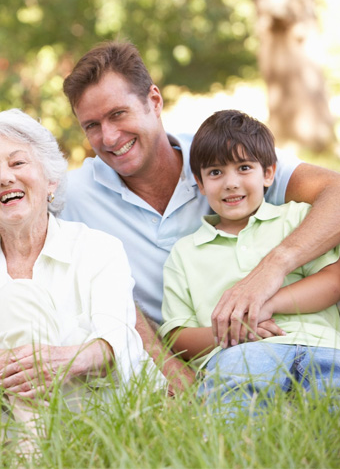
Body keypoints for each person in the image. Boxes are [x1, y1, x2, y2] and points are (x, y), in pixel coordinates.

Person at [60, 41, 340, 389]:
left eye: (118, 114)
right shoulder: (70, 195)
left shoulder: (222, 156)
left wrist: (269, 272)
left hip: (304, 339)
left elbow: (335, 194)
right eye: (92, 126)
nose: (110, 137)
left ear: (154, 101)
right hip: (212, 356)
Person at [0, 109, 165, 455]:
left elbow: (116, 336)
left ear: (51, 180)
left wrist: (65, 360)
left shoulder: (100, 248)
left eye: (18, 163)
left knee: (17, 299)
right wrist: (0, 363)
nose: (4, 177)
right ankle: (36, 451)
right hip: (7, 406)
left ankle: (23, 454)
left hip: (92, 405)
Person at [159, 110, 340, 417]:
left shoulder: (296, 218)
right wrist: (234, 330)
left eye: (244, 168)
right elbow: (176, 335)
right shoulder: (185, 253)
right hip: (239, 355)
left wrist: (268, 305)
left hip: (321, 347)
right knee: (232, 418)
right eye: (215, 173)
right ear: (200, 185)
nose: (231, 183)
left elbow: (333, 280)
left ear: (268, 173)